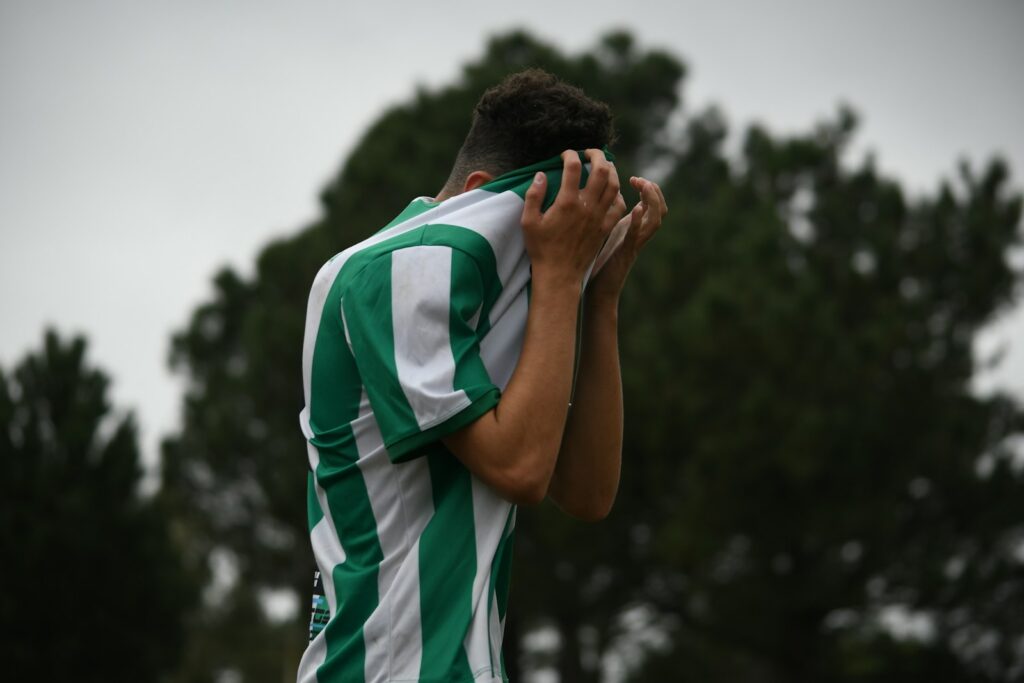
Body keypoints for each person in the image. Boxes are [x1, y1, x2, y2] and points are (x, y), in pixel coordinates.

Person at [296, 69, 667, 683]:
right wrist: (555, 278)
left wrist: (597, 294)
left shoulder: (494, 295)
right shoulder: (396, 272)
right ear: (478, 195)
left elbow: (585, 492)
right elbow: (520, 470)